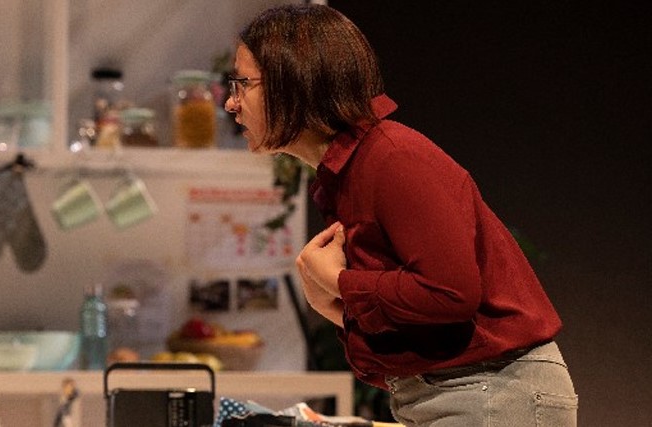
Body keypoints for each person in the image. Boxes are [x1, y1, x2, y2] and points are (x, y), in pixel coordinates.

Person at [225, 4, 577, 426]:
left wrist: (339, 282)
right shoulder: (348, 174)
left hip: (489, 389)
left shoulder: (393, 158)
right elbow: (421, 320)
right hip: (460, 390)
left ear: (293, 80)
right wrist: (334, 305)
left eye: (243, 84)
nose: (230, 103)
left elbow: (450, 293)